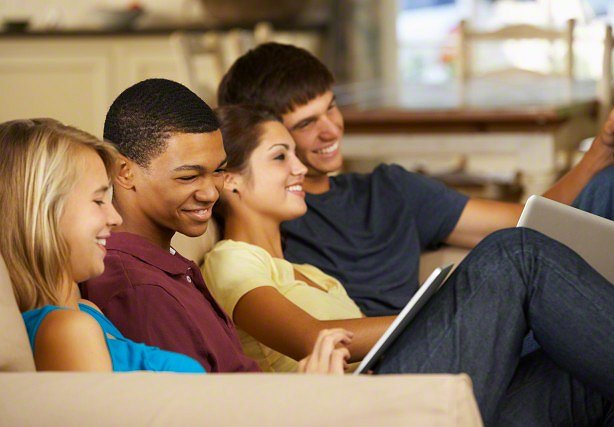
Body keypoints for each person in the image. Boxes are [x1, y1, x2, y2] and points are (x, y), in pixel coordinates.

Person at [204, 104, 614, 426]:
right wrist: (456, 313)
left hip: (403, 387)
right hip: (373, 409)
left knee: (580, 373)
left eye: (295, 154)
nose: (299, 168)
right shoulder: (230, 259)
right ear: (230, 180)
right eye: (280, 157)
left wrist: (468, 315)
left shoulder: (312, 273)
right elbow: (310, 338)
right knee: (513, 255)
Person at [217, 42, 614, 316]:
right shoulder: (271, 218)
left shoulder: (389, 189)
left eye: (332, 108)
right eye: (306, 124)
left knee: (606, 183)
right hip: (405, 357)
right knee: (511, 253)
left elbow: (530, 225)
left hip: (465, 337)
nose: (331, 130)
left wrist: (599, 153)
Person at [79, 79, 350, 374]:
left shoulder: (166, 266)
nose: (210, 193)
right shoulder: (137, 288)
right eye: (188, 177)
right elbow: (186, 401)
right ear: (124, 172)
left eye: (218, 170)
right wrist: (307, 390)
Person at [0, 118, 204, 372]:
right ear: (42, 213)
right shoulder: (67, 330)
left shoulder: (87, 312)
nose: (115, 218)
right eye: (98, 201)